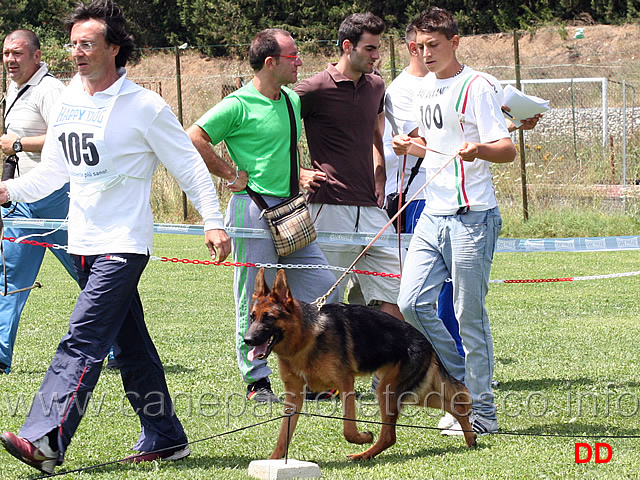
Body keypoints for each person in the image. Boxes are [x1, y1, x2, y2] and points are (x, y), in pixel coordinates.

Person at [0, 0, 230, 474]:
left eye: (87, 44)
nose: (77, 52)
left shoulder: (144, 106)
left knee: (82, 338)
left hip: (122, 244)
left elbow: (188, 166)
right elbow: (53, 176)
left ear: (115, 49)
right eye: (73, 44)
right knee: (130, 347)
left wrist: (213, 219)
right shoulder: (68, 100)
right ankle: (166, 437)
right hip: (79, 241)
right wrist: (7, 190)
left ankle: (45, 439)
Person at [188, 28, 339, 403]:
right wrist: (229, 174)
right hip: (251, 211)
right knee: (255, 300)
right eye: (293, 56)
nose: (300, 62)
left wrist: (297, 173)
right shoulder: (237, 104)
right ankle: (257, 381)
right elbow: (193, 137)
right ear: (270, 62)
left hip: (290, 210)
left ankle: (314, 375)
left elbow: (277, 150)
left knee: (321, 288)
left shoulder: (291, 100)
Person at [393, 7, 516, 435]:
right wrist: (412, 146)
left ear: (455, 42)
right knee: (411, 303)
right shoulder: (423, 88)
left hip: (472, 217)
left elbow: (506, 148)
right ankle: (462, 383)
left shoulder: (477, 86)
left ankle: (482, 412)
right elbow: (435, 148)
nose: (426, 54)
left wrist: (479, 150)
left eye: (434, 45)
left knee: (469, 315)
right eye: (420, 46)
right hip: (432, 212)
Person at [295, 12, 403, 320]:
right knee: (322, 304)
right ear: (347, 46)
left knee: (402, 292)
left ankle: (384, 368)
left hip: (371, 209)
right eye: (370, 48)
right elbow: (274, 130)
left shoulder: (376, 87)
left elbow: (374, 136)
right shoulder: (313, 88)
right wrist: (298, 172)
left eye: (378, 47)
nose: (377, 55)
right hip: (328, 207)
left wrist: (380, 173)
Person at [0, 29, 78, 375]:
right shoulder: (15, 88)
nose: (10, 60)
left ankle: (117, 348)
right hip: (22, 203)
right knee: (9, 280)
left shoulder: (51, 91)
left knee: (92, 280)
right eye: (5, 53)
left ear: (36, 55)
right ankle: (1, 356)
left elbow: (64, 140)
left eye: (17, 53)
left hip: (57, 202)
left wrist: (18, 144)